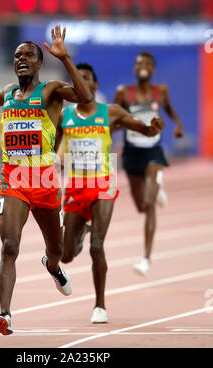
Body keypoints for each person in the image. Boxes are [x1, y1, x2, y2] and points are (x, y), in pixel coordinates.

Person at [0, 23, 93, 335]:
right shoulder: (9, 93)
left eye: (28, 55)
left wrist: (65, 59)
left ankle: (52, 267)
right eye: (16, 56)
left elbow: (85, 96)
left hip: (45, 181)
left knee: (58, 249)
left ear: (39, 62)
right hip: (13, 179)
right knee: (9, 246)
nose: (21, 59)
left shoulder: (51, 90)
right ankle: (4, 315)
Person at [54, 62, 165, 323]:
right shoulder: (64, 116)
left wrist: (153, 128)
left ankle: (100, 306)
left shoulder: (110, 112)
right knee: (67, 255)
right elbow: (53, 146)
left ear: (94, 85)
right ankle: (83, 231)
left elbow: (143, 129)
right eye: (76, 80)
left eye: (86, 79)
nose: (81, 83)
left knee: (97, 246)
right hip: (75, 186)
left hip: (103, 183)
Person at [114, 52, 184, 276]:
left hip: (153, 151)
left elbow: (169, 108)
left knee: (149, 202)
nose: (142, 66)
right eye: (139, 64)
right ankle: (158, 185)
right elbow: (114, 118)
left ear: (153, 70)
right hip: (132, 153)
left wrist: (178, 124)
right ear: (135, 70)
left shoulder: (160, 91)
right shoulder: (124, 92)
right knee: (141, 207)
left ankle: (145, 258)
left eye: (147, 64)